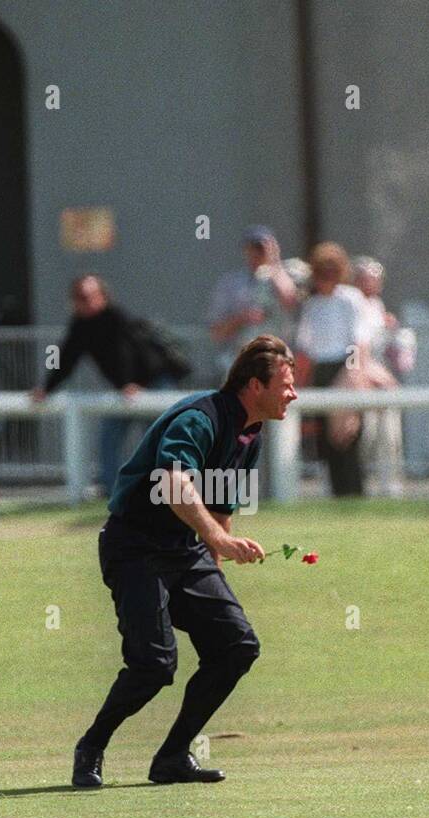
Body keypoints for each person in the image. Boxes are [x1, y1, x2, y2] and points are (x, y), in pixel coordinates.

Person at [71, 335, 297, 788]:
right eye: (286, 384)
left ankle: (172, 756)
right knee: (154, 665)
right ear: (255, 385)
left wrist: (216, 571)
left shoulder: (250, 433)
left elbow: (220, 509)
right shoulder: (199, 418)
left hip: (184, 550)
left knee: (236, 645)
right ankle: (91, 746)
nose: (293, 394)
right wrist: (217, 539)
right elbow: (174, 485)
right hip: (134, 547)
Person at [30, 274, 188, 494]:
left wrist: (130, 382)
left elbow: (127, 352)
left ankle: (168, 491)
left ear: (103, 296)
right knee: (109, 438)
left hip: (153, 384)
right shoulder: (80, 326)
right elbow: (65, 359)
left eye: (91, 296)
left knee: (159, 440)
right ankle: (113, 491)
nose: (87, 302)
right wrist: (46, 389)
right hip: (125, 390)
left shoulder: (116, 317)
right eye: (80, 297)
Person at [294, 241, 375, 496]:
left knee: (348, 436)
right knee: (327, 440)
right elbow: (305, 347)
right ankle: (337, 495)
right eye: (322, 271)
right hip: (322, 371)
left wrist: (351, 374)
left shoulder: (350, 299)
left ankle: (355, 493)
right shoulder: (312, 305)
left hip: (346, 367)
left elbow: (359, 341)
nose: (326, 277)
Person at [352, 256, 414, 496]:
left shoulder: (377, 306)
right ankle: (359, 487)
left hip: (382, 382)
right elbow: (352, 351)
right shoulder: (351, 304)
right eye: (368, 278)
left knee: (390, 437)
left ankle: (391, 487)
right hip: (361, 383)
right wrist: (359, 375)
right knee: (364, 439)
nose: (374, 283)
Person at [206, 226, 300, 366]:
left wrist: (274, 264)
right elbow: (216, 333)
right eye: (253, 247)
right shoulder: (231, 284)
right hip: (241, 358)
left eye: (261, 247)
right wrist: (241, 318)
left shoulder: (289, 276)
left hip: (278, 360)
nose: (258, 252)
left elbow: (290, 301)